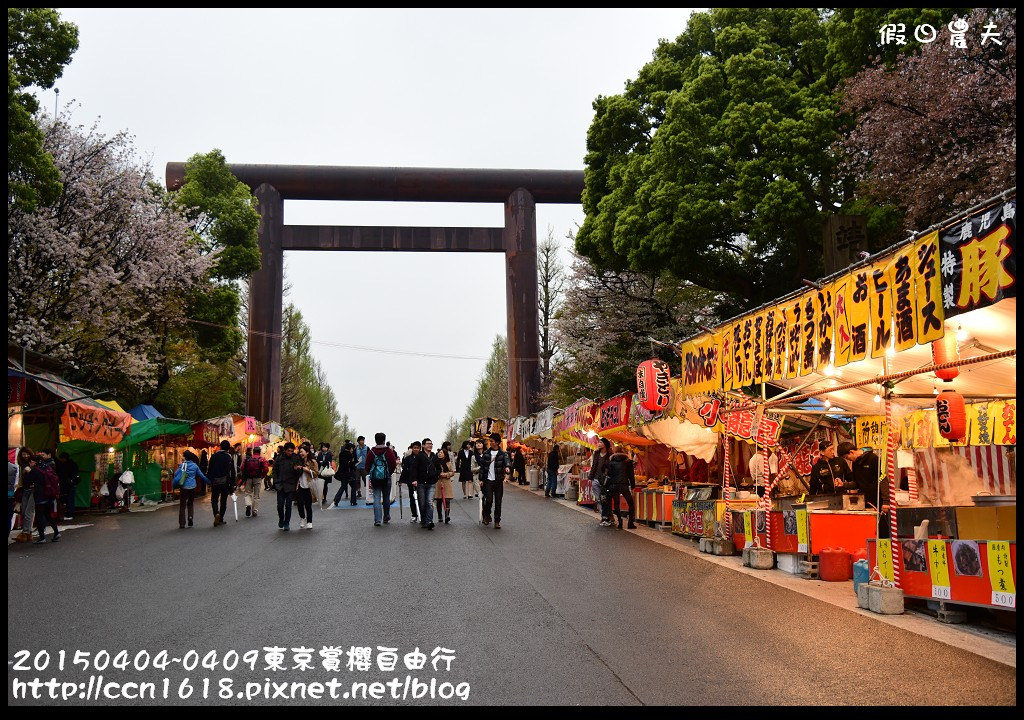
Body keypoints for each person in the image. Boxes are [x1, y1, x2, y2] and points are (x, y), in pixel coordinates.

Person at [475, 432, 511, 529]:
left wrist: (507, 467)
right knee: (489, 500)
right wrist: (481, 479)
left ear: (497, 442)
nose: (490, 443)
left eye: (492, 441)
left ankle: (497, 521)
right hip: (488, 481)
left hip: (498, 481)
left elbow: (507, 461)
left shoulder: (503, 454)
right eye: (490, 441)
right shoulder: (486, 454)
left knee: (498, 502)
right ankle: (487, 515)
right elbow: (482, 467)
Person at [364, 432, 398, 527]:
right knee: (386, 498)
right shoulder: (389, 451)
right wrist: (389, 473)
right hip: (386, 478)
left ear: (375, 440)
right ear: (384, 440)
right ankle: (386, 516)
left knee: (376, 498)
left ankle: (377, 520)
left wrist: (371, 473)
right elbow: (393, 464)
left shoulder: (372, 451)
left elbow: (367, 465)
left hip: (375, 479)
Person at [839, 442, 886, 508]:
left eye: (847, 457)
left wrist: (886, 501)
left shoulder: (873, 458)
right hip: (863, 500)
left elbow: (883, 479)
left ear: (851, 452)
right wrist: (843, 485)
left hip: (877, 501)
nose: (848, 460)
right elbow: (857, 483)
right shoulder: (855, 463)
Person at [26, 454, 61, 543]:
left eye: (30, 462)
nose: (30, 463)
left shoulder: (34, 470)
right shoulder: (48, 468)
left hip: (40, 496)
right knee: (48, 515)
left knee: (39, 516)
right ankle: (56, 533)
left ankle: (42, 537)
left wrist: (28, 472)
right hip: (50, 495)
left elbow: (27, 482)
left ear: (33, 462)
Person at [602, 444, 637, 529]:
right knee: (630, 503)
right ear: (624, 452)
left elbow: (609, 474)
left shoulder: (611, 461)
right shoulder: (628, 462)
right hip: (624, 484)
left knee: (617, 503)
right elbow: (631, 475)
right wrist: (633, 486)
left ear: (614, 452)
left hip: (614, 485)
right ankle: (630, 523)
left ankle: (620, 522)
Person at [172, 451, 208, 529]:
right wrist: (208, 481)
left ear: (185, 457)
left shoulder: (182, 465)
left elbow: (176, 474)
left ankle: (182, 523)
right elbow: (201, 475)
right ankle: (190, 517)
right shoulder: (195, 466)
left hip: (184, 487)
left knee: (182, 505)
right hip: (192, 486)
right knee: (190, 503)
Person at [272, 442, 302, 531]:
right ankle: (281, 519)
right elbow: (274, 470)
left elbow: (300, 472)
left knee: (288, 505)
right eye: (288, 451)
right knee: (280, 505)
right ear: (285, 450)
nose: (290, 453)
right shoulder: (279, 458)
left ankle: (287, 522)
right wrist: (276, 481)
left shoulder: (296, 458)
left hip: (291, 485)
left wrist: (297, 470)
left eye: (292, 451)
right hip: (280, 485)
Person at [207, 440, 237, 527]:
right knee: (223, 501)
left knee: (214, 500)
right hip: (225, 482)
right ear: (228, 448)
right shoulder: (228, 457)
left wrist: (209, 480)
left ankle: (216, 513)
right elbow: (232, 472)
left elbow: (210, 469)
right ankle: (221, 518)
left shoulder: (214, 456)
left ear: (220, 446)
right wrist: (232, 484)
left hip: (215, 481)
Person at [295, 445, 319, 530]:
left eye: (302, 452)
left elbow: (316, 473)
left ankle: (309, 521)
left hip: (309, 486)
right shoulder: (297, 461)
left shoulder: (313, 462)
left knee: (308, 505)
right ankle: (302, 518)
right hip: (300, 485)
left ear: (307, 452)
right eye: (300, 452)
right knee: (300, 504)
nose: (301, 453)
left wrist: (307, 470)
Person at [241, 446, 268, 518]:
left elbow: (242, 468)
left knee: (248, 493)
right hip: (258, 478)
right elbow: (266, 469)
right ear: (259, 452)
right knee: (256, 495)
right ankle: (255, 510)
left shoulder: (248, 459)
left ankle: (248, 505)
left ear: (253, 452)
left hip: (249, 478)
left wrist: (246, 475)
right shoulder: (262, 459)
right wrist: (262, 476)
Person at [589, 439, 612, 521]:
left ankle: (608, 516)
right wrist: (590, 477)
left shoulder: (610, 455)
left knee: (605, 499)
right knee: (598, 499)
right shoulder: (596, 454)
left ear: (605, 444)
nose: (599, 443)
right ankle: (603, 516)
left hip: (605, 480)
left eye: (601, 442)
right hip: (595, 479)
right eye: (599, 442)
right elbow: (593, 466)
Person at [435, 441, 455, 525]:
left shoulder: (448, 463)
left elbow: (452, 472)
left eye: (442, 453)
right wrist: (438, 474)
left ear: (445, 454)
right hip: (438, 482)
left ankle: (447, 516)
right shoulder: (435, 463)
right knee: (439, 500)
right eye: (439, 453)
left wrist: (446, 474)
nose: (440, 454)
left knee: (447, 499)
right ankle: (440, 516)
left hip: (446, 482)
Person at [55, 451, 80, 521]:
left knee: (69, 499)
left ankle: (69, 514)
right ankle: (69, 514)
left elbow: (65, 476)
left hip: (68, 484)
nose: (61, 460)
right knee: (70, 499)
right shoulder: (73, 464)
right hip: (73, 484)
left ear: (64, 458)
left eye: (62, 459)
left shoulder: (66, 465)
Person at [398, 444, 419, 522]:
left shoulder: (422, 457)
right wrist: (401, 480)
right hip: (411, 481)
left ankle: (422, 514)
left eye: (417, 448)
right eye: (414, 448)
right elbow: (405, 470)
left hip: (421, 481)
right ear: (412, 449)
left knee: (421, 499)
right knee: (412, 499)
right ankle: (414, 515)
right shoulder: (407, 459)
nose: (416, 449)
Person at [331, 441, 354, 507]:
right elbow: (350, 464)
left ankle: (336, 499)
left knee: (343, 486)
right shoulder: (349, 455)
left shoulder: (341, 454)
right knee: (353, 486)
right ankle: (352, 500)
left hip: (341, 472)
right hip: (348, 473)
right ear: (350, 448)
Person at [316, 442, 334, 510]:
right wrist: (322, 462)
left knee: (325, 485)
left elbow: (328, 462)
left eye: (325, 447)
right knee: (320, 485)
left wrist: (322, 462)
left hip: (326, 471)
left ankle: (324, 498)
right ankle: (321, 497)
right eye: (323, 447)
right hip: (320, 471)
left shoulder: (329, 454)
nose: (324, 448)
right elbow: (317, 461)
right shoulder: (320, 454)